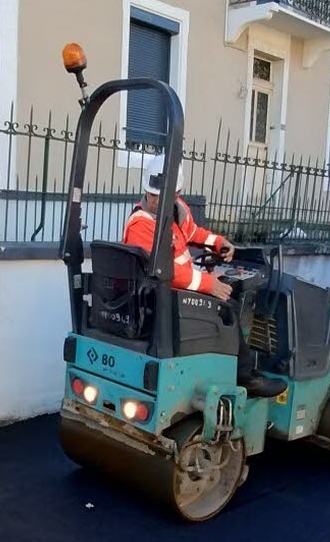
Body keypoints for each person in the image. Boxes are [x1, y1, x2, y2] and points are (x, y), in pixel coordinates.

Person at [122, 154, 286, 399]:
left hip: (177, 287)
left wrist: (218, 242)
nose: (155, 201)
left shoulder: (177, 209)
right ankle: (245, 377)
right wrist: (208, 284)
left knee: (229, 294)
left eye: (163, 195)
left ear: (177, 192)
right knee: (228, 309)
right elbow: (161, 270)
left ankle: (227, 364)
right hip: (160, 295)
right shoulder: (141, 225)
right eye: (152, 194)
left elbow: (193, 233)